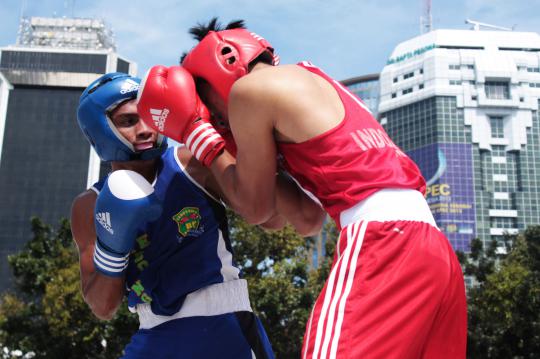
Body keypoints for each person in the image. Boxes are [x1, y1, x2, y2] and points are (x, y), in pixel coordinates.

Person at [136, 18, 467, 359]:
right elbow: (307, 218)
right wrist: (241, 155)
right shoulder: (314, 81)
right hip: (433, 250)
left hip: (384, 243)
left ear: (225, 63)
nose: (220, 121)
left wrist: (196, 131)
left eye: (212, 109)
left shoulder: (249, 92)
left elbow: (254, 208)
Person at [71, 72, 323, 358]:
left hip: (222, 323)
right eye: (129, 121)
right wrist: (113, 249)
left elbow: (272, 219)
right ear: (99, 130)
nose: (145, 130)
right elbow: (102, 307)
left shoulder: (192, 163)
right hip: (153, 332)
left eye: (147, 116)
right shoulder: (89, 206)